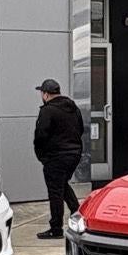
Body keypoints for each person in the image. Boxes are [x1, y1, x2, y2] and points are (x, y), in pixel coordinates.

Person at [33, 78, 84, 239]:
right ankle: (79, 215)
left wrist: (42, 156)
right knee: (62, 186)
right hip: (74, 155)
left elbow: (40, 136)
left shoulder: (47, 111)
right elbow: (81, 129)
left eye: (42, 92)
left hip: (55, 157)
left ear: (46, 94)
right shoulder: (73, 107)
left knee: (55, 192)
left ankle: (56, 228)